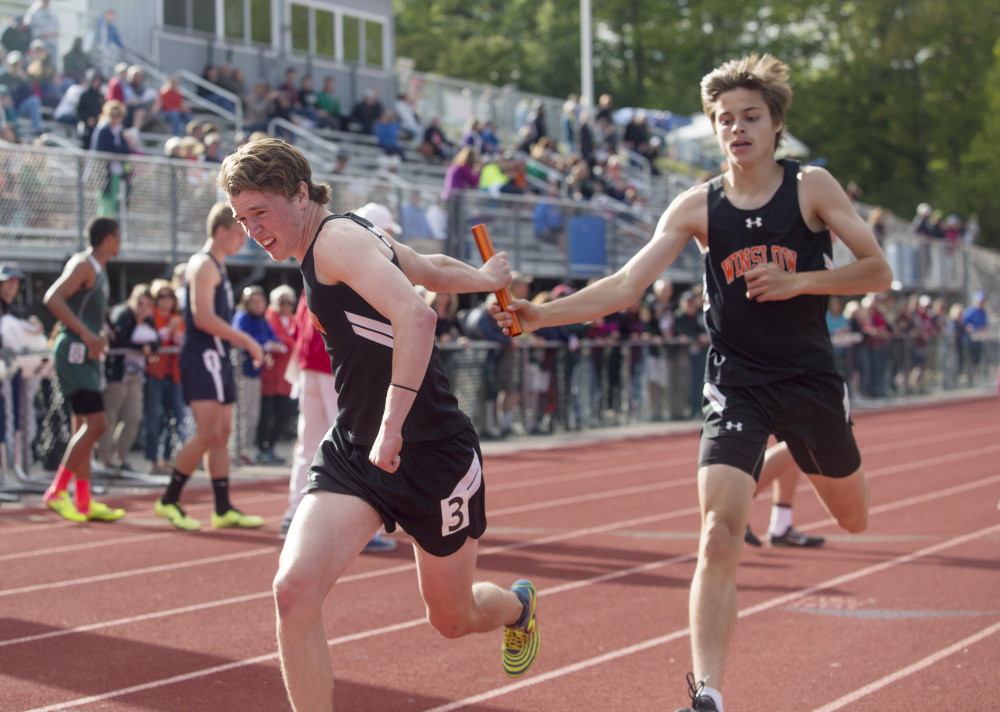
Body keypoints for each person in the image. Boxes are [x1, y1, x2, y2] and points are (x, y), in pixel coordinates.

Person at [490, 54, 892, 712]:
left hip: (812, 382)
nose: (737, 128)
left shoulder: (812, 187)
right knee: (716, 532)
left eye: (750, 117)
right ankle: (708, 693)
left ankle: (794, 449)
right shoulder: (696, 205)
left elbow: (877, 272)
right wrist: (541, 316)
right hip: (737, 384)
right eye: (724, 119)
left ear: (776, 124)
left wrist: (800, 282)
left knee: (854, 517)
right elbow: (626, 286)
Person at [219, 138, 539, 710]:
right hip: (356, 450)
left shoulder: (337, 241)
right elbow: (429, 269)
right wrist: (485, 278)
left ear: (299, 193)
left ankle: (518, 607)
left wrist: (393, 426)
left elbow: (417, 315)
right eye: (243, 219)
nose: (253, 230)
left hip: (431, 452)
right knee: (293, 593)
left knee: (452, 618)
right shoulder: (347, 234)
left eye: (260, 213)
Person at [153, 202, 266, 531]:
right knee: (206, 432)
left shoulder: (217, 265)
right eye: (238, 233)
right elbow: (203, 318)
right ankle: (169, 498)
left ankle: (222, 507)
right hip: (203, 356)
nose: (243, 241)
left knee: (222, 434)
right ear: (220, 232)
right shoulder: (203, 265)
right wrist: (246, 340)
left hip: (215, 356)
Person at [41, 217, 126, 523]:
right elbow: (53, 298)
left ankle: (84, 501)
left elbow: (85, 313)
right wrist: (86, 333)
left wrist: (98, 332)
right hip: (74, 352)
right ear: (107, 238)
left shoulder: (99, 270)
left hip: (85, 352)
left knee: (85, 430)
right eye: (118, 237)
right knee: (98, 424)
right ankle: (58, 489)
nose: (121, 243)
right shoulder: (84, 265)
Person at [97, 283, 158, 472]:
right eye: (140, 303)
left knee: (133, 417)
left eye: (148, 304)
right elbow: (120, 337)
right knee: (110, 416)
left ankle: (121, 458)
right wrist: (142, 344)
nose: (143, 308)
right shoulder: (122, 313)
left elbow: (157, 341)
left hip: (136, 376)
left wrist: (149, 343)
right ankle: (105, 461)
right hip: (117, 375)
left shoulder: (148, 320)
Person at [144, 278, 186, 475]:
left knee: (175, 418)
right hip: (154, 373)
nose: (167, 300)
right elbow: (151, 338)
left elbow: (181, 342)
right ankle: (153, 460)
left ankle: (167, 459)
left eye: (170, 295)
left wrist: (176, 332)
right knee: (153, 418)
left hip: (174, 375)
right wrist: (169, 330)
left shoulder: (178, 318)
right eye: (162, 296)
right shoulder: (151, 316)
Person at [257, 285, 296, 465]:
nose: (286, 306)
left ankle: (269, 447)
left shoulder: (291, 319)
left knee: (283, 413)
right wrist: (287, 344)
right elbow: (280, 340)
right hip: (270, 375)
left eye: (289, 302)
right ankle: (262, 449)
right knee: (266, 413)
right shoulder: (269, 317)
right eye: (282, 302)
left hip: (286, 377)